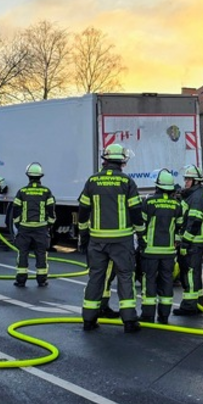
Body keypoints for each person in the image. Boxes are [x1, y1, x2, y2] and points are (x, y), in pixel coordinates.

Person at [77, 143, 144, 333]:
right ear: (122, 162)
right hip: (122, 240)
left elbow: (83, 209)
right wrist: (141, 234)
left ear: (105, 160)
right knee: (125, 276)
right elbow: (136, 211)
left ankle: (89, 319)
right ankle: (129, 320)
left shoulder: (92, 181)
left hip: (97, 239)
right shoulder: (127, 182)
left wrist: (83, 234)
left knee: (96, 277)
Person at [139, 170, 184, 325]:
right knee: (166, 282)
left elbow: (141, 225)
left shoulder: (149, 202)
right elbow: (179, 227)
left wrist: (142, 242)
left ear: (157, 186)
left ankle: (148, 314)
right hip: (168, 252)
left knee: (149, 281)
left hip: (150, 251)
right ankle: (164, 315)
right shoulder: (176, 205)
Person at [174, 164, 203, 316]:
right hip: (194, 242)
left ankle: (190, 306)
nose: (186, 182)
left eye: (188, 179)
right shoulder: (196, 194)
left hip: (192, 242)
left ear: (196, 181)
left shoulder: (196, 197)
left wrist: (185, 242)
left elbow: (194, 221)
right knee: (194, 273)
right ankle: (197, 304)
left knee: (189, 273)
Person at [10, 162, 55, 287]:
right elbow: (51, 209)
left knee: (23, 253)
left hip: (25, 228)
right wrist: (49, 223)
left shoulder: (22, 191)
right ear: (41, 176)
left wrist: (17, 223)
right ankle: (41, 280)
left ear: (28, 176)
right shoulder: (46, 191)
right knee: (41, 253)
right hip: (41, 228)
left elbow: (16, 208)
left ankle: (21, 280)